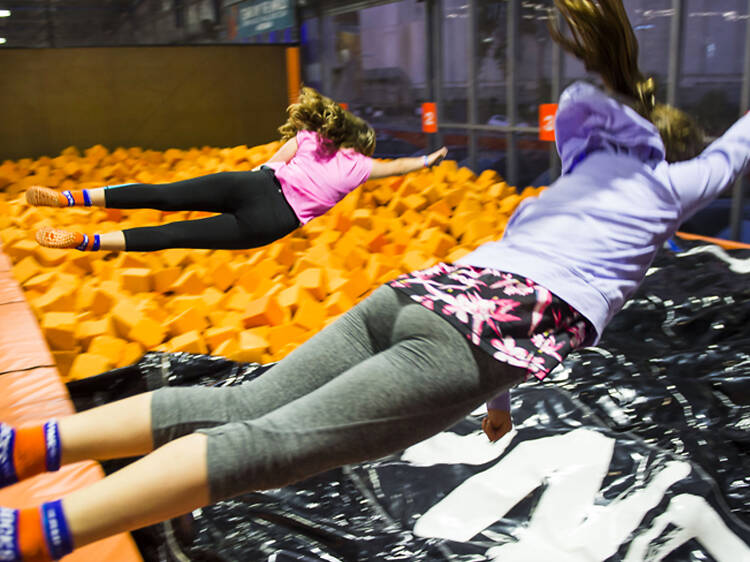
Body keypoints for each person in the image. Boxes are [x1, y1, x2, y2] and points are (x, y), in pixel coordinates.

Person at [3, 1, 748, 559]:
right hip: (469, 341)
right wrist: (491, 384)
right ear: (671, 157)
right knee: (267, 446)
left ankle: (24, 448)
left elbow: (518, 280)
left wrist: (496, 402)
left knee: (246, 402)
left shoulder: (570, 182)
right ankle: (35, 535)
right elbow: (735, 153)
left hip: (418, 296)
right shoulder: (671, 190)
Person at [26, 87, 448, 252]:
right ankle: (87, 241)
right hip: (272, 221)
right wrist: (427, 161)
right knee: (175, 236)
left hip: (253, 185)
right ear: (363, 146)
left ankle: (69, 198)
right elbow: (398, 168)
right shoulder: (363, 168)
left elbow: (270, 162)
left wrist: (250, 181)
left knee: (163, 194)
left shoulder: (312, 138)